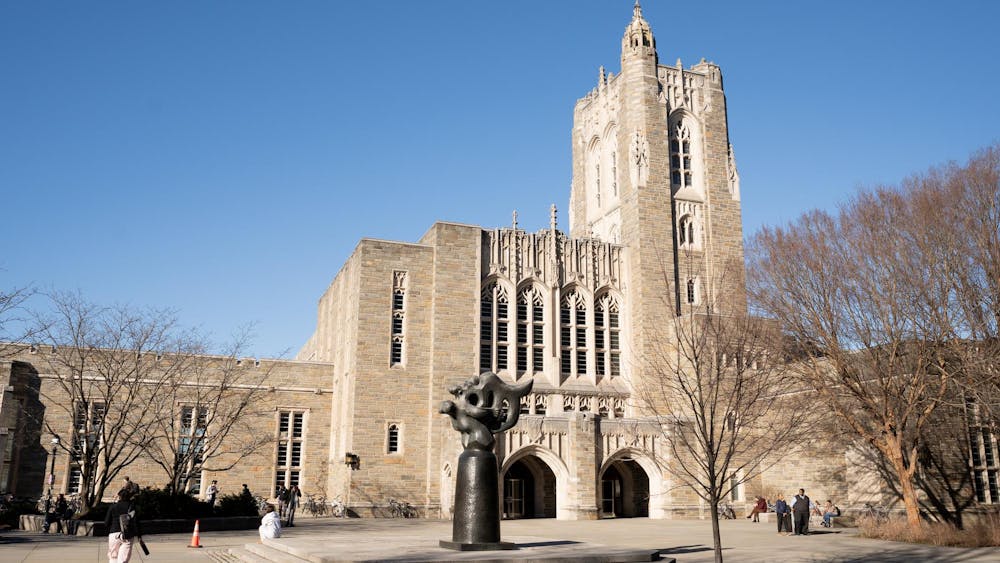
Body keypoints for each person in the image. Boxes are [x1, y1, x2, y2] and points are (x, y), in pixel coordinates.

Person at [104, 489, 141, 563]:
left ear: (119, 496)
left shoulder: (113, 507)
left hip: (114, 534)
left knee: (113, 557)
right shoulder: (131, 507)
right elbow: (135, 523)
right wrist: (139, 536)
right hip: (127, 534)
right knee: (123, 559)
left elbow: (106, 523)